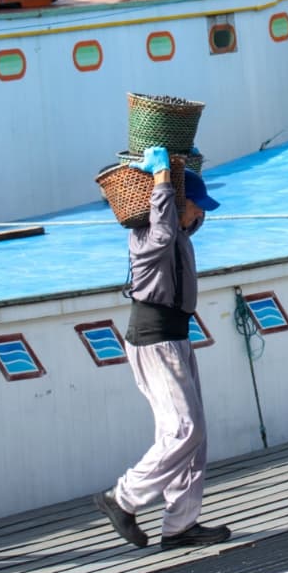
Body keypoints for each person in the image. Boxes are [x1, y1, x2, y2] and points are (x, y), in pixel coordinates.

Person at [94, 146, 231, 550]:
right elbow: (164, 228)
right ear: (176, 206)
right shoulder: (149, 238)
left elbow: (175, 229)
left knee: (195, 434)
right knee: (183, 428)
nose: (201, 215)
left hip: (176, 337)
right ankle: (122, 498)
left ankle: (180, 524)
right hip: (156, 342)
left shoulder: (180, 237)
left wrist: (179, 168)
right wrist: (163, 181)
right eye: (197, 207)